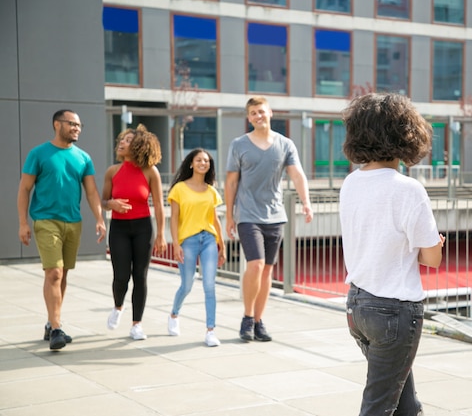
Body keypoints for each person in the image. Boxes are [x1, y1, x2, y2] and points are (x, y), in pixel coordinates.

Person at [339, 93, 445, 416]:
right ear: (406, 134)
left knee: (404, 404)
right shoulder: (408, 190)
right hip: (394, 311)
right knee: (379, 406)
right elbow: (432, 259)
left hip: (358, 308)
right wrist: (436, 243)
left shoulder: (350, 183)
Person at [225, 96, 313, 342]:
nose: (258, 116)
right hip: (247, 215)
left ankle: (258, 321)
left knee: (267, 273)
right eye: (253, 113)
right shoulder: (239, 144)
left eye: (261, 111)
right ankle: (247, 316)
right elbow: (231, 182)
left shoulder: (285, 144)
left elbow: (298, 176)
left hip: (275, 216)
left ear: (270, 113)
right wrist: (230, 215)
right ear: (249, 117)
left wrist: (306, 203)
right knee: (256, 264)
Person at [17, 109, 106, 351]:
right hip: (46, 220)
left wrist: (99, 218)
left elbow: (91, 192)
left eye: (79, 125)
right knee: (54, 274)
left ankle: (50, 321)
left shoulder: (83, 158)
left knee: (63, 274)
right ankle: (57, 328)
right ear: (57, 124)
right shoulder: (38, 154)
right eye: (72, 124)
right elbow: (24, 189)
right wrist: (23, 223)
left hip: (73, 222)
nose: (77, 128)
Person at [101, 124, 167, 340]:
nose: (122, 142)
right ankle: (118, 306)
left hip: (143, 228)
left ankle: (136, 324)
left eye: (128, 140)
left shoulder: (150, 171)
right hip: (119, 228)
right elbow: (103, 201)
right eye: (122, 139)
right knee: (121, 276)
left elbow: (158, 204)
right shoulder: (112, 171)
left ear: (139, 146)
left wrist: (161, 234)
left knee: (140, 276)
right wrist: (112, 204)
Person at [167, 148, 226, 347]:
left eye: (207, 161)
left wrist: (222, 244)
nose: (203, 163)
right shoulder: (179, 189)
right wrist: (175, 244)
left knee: (209, 285)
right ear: (191, 163)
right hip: (187, 241)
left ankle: (211, 331)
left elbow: (215, 219)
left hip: (209, 239)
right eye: (199, 160)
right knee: (187, 284)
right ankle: (174, 314)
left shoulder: (211, 191)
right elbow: (174, 219)